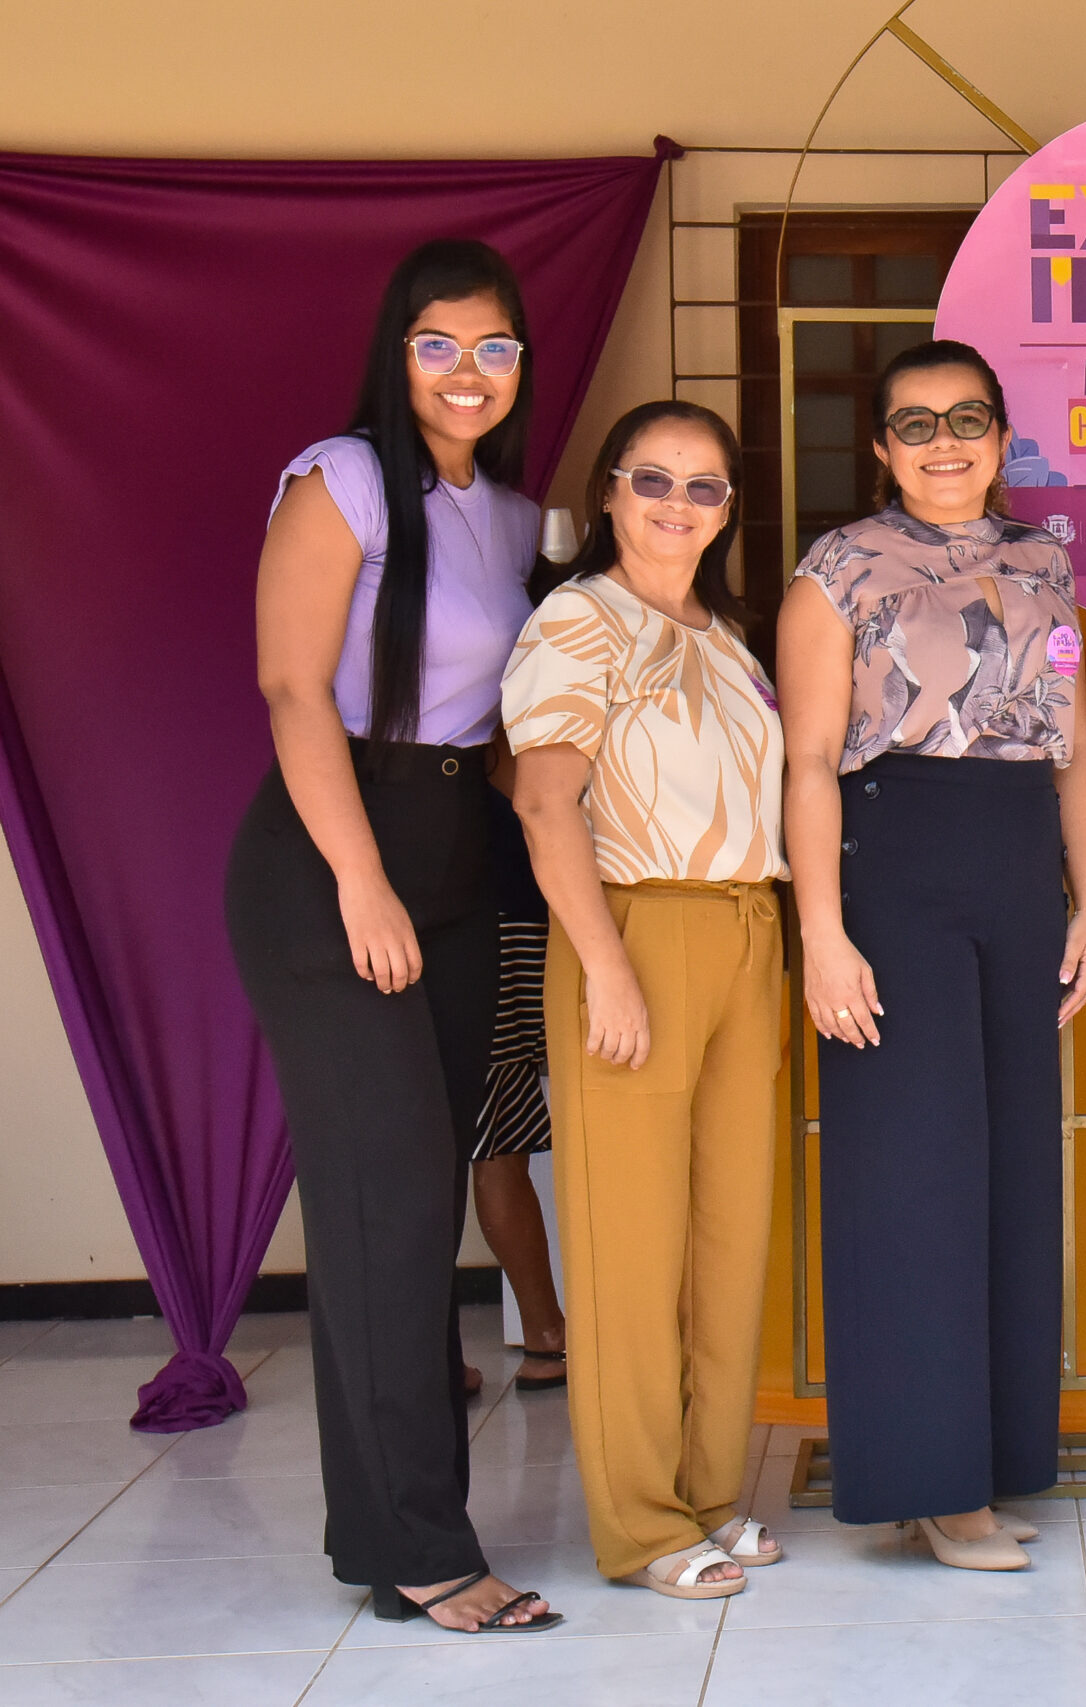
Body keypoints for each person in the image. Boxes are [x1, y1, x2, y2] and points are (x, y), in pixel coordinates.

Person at [224, 239, 560, 1633]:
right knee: (391, 1205)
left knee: (425, 1205)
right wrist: (358, 881)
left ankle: (400, 1520)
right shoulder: (344, 478)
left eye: (494, 347)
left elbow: (511, 729)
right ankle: (416, 1546)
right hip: (332, 860)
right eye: (439, 344)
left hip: (459, 860)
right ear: (397, 352)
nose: (467, 372)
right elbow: (292, 687)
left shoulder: (517, 517)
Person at [779, 339, 1086, 1572]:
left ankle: (996, 1458)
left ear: (1002, 434)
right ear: (881, 448)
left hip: (1017, 865)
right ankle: (927, 1483)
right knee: (912, 1175)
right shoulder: (837, 567)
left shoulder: (1044, 558)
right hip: (894, 865)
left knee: (1011, 1168)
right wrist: (822, 931)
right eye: (915, 424)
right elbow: (809, 762)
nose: (944, 443)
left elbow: (1071, 746)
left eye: (967, 419)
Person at [504, 401, 789, 1599]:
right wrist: (607, 968)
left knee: (728, 1233)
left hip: (746, 927)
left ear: (727, 509)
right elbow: (543, 803)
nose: (679, 504)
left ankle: (709, 1492)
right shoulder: (581, 619)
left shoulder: (727, 636)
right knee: (628, 1241)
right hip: (633, 924)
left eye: (704, 485)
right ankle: (640, 1522)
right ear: (611, 492)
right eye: (654, 479)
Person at [461, 784, 566, 1397]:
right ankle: (548, 1334)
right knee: (499, 1141)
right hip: (513, 902)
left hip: (455, 912)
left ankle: (432, 1356)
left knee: (469, 1137)